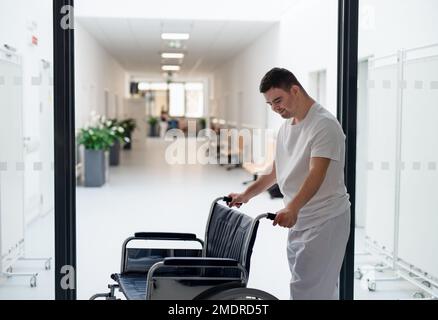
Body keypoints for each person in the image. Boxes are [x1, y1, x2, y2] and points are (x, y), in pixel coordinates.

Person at [227, 68, 351, 300]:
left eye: (278, 100)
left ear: (294, 90)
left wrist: (292, 208)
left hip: (325, 220)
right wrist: (246, 195)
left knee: (309, 290)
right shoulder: (286, 127)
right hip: (299, 219)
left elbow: (317, 173)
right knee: (312, 286)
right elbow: (275, 171)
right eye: (270, 104)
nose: (275, 108)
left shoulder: (324, 125)